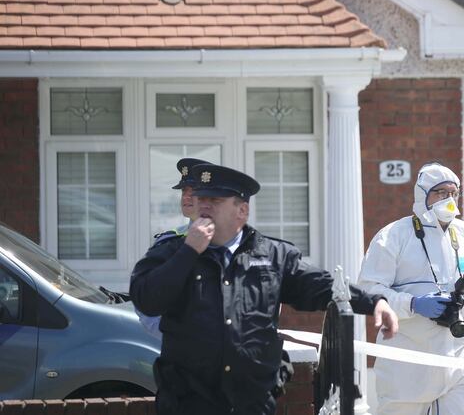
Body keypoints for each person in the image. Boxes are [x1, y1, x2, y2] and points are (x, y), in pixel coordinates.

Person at [130, 163, 399, 415]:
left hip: (251, 403)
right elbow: (147, 299)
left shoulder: (272, 255)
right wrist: (189, 252)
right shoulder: (171, 252)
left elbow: (319, 286)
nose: (205, 207)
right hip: (189, 403)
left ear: (242, 211)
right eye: (202, 199)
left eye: (216, 201)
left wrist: (373, 302)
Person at [358, 162, 464, 415]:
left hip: (461, 358)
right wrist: (413, 304)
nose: (449, 199)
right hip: (408, 361)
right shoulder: (393, 236)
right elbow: (369, 291)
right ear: (422, 196)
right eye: (441, 193)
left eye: (454, 193)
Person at [136, 157, 209, 338]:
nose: (186, 196)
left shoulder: (235, 244)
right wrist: (174, 335)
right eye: (184, 190)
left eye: (194, 191)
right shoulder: (167, 243)